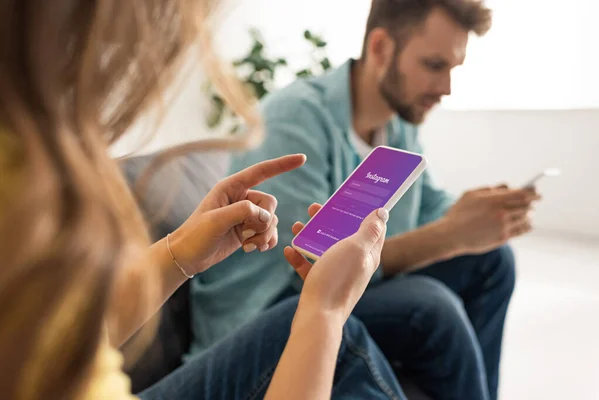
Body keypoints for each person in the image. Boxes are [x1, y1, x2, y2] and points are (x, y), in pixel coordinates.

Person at [0, 1, 411, 399]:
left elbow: (62, 340)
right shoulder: (30, 196)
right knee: (380, 324)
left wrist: (180, 252)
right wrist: (325, 310)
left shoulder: (22, 166)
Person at [189, 1, 541, 400]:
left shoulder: (396, 125)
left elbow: (429, 206)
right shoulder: (295, 120)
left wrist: (476, 212)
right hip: (270, 306)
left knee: (493, 261)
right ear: (380, 48)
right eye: (433, 65)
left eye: (452, 69)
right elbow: (307, 263)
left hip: (338, 284)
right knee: (431, 307)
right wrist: (451, 236)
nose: (446, 88)